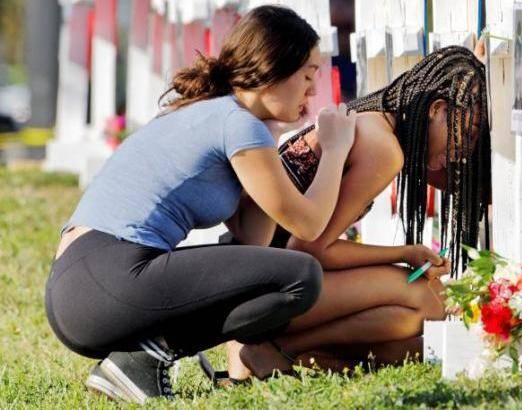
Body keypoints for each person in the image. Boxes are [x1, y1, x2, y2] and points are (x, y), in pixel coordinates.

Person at [44, 6, 357, 403]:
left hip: (83, 286)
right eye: (309, 76)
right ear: (273, 68)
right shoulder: (235, 123)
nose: (314, 92)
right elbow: (309, 226)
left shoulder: (220, 115)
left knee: (276, 276)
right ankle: (141, 362)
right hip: (105, 277)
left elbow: (252, 243)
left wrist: (273, 137)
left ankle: (135, 361)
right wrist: (335, 149)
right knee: (302, 276)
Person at [224, 46, 491, 380]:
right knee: (428, 301)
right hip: (265, 289)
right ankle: (277, 348)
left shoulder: (374, 120)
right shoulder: (383, 150)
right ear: (436, 109)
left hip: (252, 278)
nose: (462, 152)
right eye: (464, 135)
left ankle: (292, 352)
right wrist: (403, 254)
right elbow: (308, 249)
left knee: (411, 337)